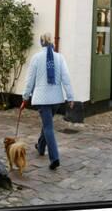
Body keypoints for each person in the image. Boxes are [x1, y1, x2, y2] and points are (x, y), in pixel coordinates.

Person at [22, 32, 75, 170]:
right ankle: (40, 146)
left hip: (42, 99)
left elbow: (30, 80)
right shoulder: (60, 58)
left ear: (41, 42)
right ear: (52, 42)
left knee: (48, 127)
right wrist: (70, 97)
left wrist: (25, 97)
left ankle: (55, 158)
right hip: (56, 99)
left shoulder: (36, 58)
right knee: (47, 124)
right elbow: (66, 78)